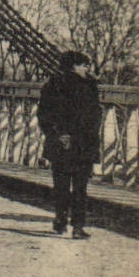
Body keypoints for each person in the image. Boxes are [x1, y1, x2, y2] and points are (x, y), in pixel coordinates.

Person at [38, 50, 101, 239]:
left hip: (61, 141)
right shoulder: (90, 85)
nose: (87, 68)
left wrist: (55, 134)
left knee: (61, 184)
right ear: (74, 66)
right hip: (83, 143)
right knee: (81, 187)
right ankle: (78, 227)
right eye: (84, 64)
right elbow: (94, 116)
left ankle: (60, 219)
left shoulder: (52, 85)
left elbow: (44, 115)